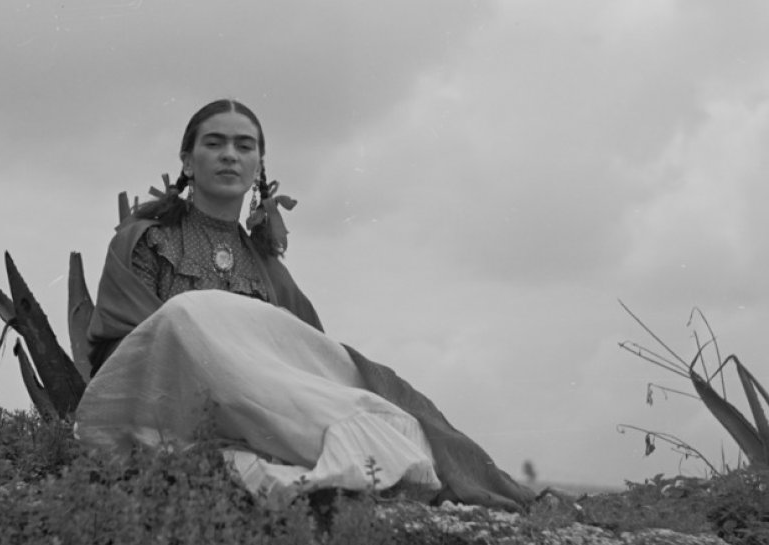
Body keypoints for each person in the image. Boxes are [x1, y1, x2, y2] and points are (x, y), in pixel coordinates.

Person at [75, 99, 534, 511]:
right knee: (185, 314)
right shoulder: (145, 241)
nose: (230, 155)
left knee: (394, 427)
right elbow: (126, 352)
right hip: (169, 407)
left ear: (258, 165)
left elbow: (303, 364)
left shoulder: (268, 269)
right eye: (214, 144)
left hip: (257, 412)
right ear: (188, 162)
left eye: (244, 146)